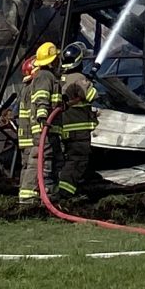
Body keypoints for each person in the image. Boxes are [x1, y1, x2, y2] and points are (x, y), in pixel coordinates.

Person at [44, 42, 102, 206]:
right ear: (79, 61)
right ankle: (65, 194)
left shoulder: (60, 78)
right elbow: (92, 95)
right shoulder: (78, 78)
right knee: (77, 161)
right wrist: (89, 83)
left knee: (66, 160)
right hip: (78, 129)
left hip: (64, 128)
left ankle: (60, 189)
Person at [16, 41, 58, 204]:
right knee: (39, 163)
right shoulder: (45, 77)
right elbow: (42, 99)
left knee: (37, 163)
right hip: (43, 129)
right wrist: (43, 118)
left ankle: (43, 195)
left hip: (38, 131)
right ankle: (29, 199)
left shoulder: (35, 81)